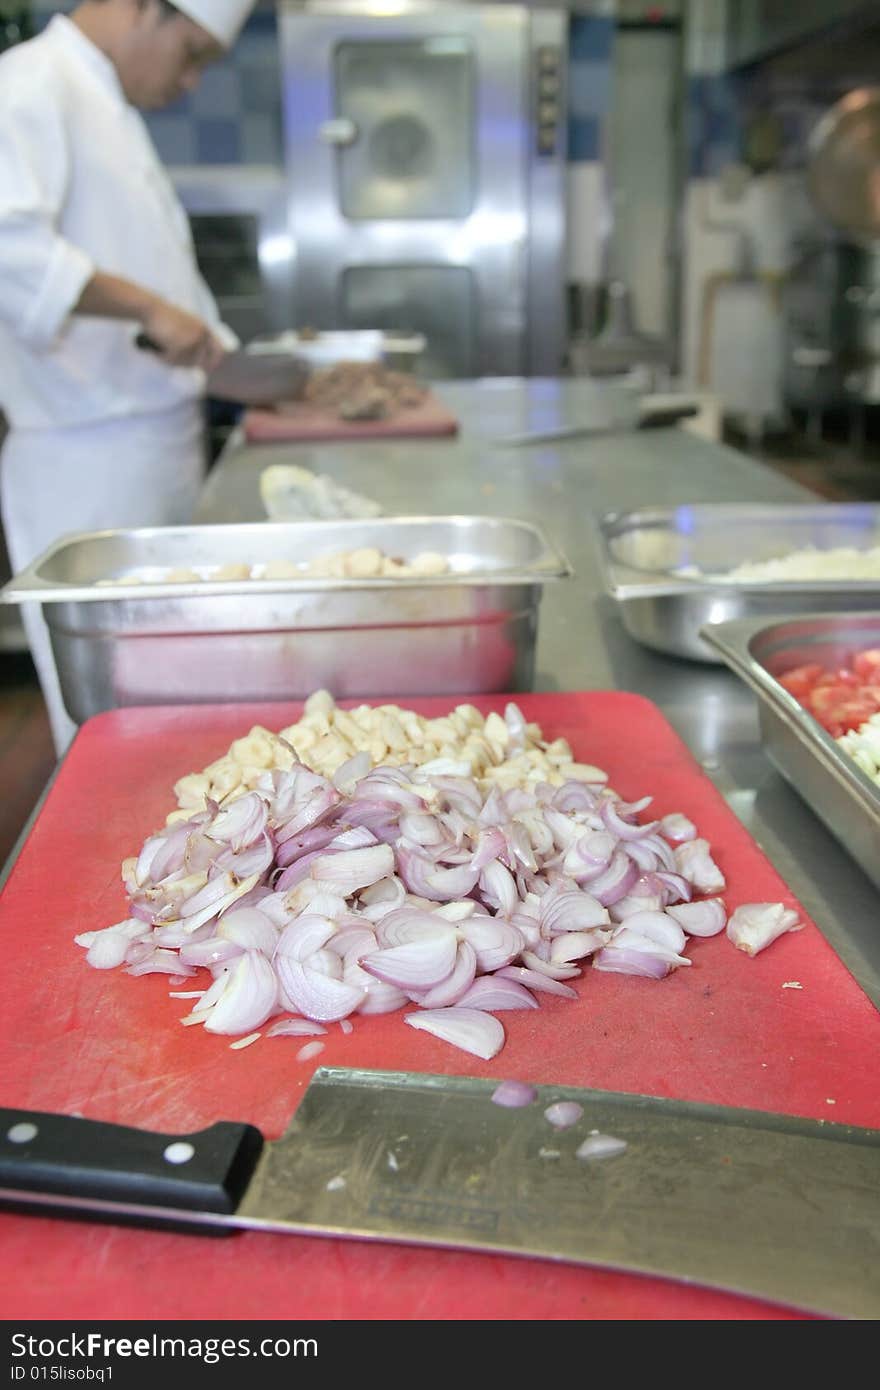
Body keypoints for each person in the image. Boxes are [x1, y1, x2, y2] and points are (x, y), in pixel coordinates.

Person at [0, 0, 276, 756]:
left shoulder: (104, 104)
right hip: (87, 463)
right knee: (111, 727)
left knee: (173, 712)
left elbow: (162, 276)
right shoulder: (27, 85)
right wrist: (150, 310)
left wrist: (216, 347)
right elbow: (6, 246)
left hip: (155, 451)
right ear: (141, 9)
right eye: (190, 54)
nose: (190, 84)